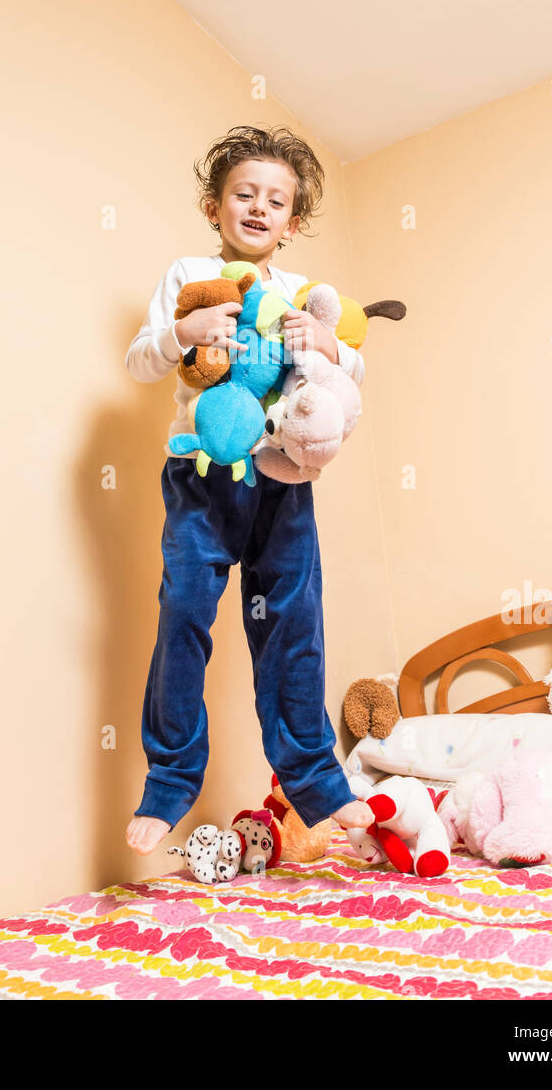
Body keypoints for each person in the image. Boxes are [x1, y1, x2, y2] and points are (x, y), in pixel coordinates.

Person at [124, 124, 374, 855]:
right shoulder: (189, 274)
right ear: (215, 205)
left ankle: (317, 785)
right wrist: (187, 329)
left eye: (275, 201)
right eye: (244, 195)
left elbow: (349, 375)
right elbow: (141, 362)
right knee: (184, 615)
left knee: (294, 623)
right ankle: (169, 783)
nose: (258, 208)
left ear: (291, 223)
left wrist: (328, 346)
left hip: (282, 479)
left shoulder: (300, 292)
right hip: (203, 473)